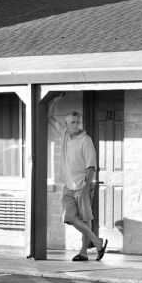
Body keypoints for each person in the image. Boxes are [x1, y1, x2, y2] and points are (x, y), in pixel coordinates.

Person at [48, 98, 106, 262]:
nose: (75, 125)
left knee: (85, 219)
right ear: (66, 124)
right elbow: (50, 118)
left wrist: (86, 186)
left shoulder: (85, 140)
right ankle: (97, 241)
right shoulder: (65, 134)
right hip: (68, 185)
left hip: (82, 184)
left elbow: (91, 167)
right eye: (72, 122)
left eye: (77, 122)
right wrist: (55, 100)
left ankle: (84, 252)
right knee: (70, 217)